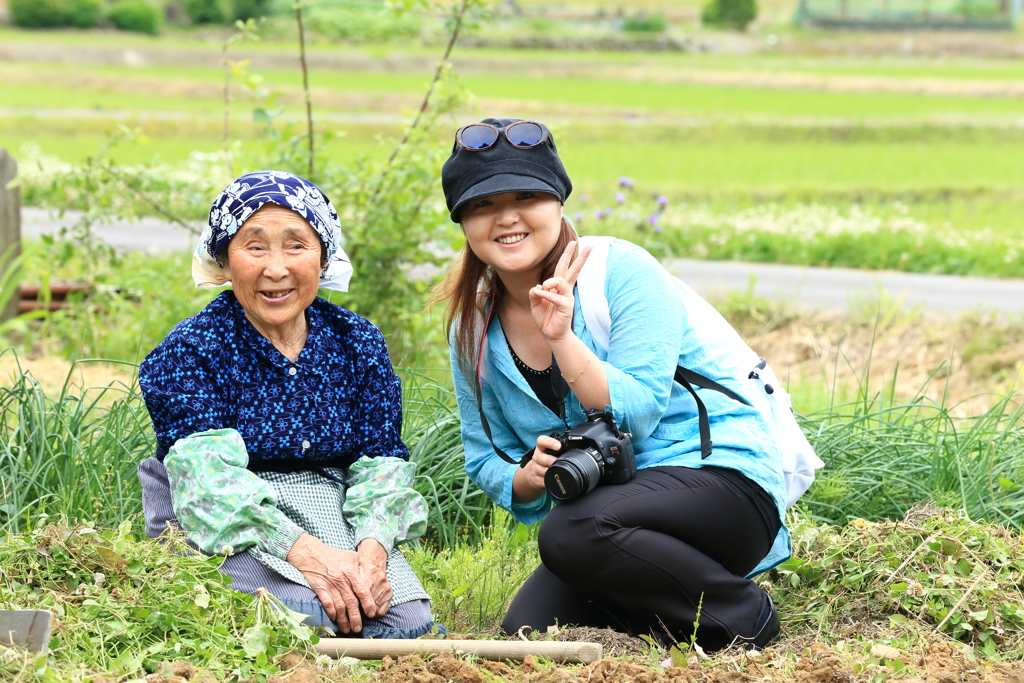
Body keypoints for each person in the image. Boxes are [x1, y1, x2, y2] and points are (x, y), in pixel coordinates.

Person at [434, 118, 789, 651]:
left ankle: (745, 615)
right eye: (482, 205)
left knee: (570, 532)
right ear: (463, 222)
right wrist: (529, 476)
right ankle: (672, 622)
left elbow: (640, 410)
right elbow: (484, 456)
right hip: (615, 517)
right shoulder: (473, 328)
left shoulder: (619, 270)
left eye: (527, 197)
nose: (506, 218)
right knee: (528, 632)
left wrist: (562, 338)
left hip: (720, 484)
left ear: (558, 203)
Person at [137, 170, 440, 639]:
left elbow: (380, 459)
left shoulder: (356, 341)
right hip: (226, 509)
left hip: (327, 503)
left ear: (323, 257)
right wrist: (313, 559)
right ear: (224, 260)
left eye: (295, 245)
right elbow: (209, 483)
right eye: (254, 247)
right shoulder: (192, 349)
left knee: (405, 624)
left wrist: (371, 552)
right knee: (303, 617)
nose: (275, 269)